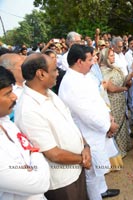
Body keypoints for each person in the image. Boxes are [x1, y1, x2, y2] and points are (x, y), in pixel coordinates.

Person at [14, 53, 90, 200]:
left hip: (77, 168)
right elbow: (53, 154)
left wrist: (85, 146)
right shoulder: (28, 110)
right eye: (55, 69)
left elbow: (70, 123)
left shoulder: (49, 93)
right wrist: (83, 159)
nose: (58, 73)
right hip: (61, 182)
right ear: (41, 74)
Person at [58, 44, 120, 199]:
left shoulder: (85, 77)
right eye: (90, 59)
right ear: (79, 61)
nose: (94, 62)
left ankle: (102, 190)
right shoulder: (71, 83)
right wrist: (108, 125)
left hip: (99, 130)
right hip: (88, 135)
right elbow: (87, 114)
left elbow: (97, 100)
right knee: (91, 173)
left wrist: (108, 115)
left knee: (98, 170)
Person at [0, 66, 50, 200]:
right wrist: (35, 155)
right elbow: (40, 184)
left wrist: (33, 154)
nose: (14, 96)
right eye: (7, 93)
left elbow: (32, 149)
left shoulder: (6, 122)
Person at [100, 48, 133, 158]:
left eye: (113, 55)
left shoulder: (115, 68)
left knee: (123, 122)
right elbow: (111, 89)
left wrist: (131, 76)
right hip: (112, 101)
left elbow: (124, 80)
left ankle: (124, 146)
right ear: (105, 58)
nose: (113, 57)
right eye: (110, 56)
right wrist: (124, 88)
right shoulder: (102, 71)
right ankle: (117, 151)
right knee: (116, 124)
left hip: (120, 99)